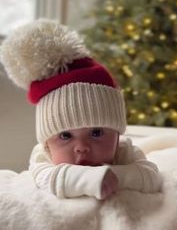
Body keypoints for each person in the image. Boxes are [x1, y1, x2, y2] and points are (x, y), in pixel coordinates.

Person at [1, 19, 162, 200]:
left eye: (97, 132)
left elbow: (152, 177)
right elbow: (45, 180)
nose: (82, 148)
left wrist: (113, 176)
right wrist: (88, 179)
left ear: (117, 135)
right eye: (65, 135)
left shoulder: (123, 150)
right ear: (47, 143)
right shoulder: (42, 155)